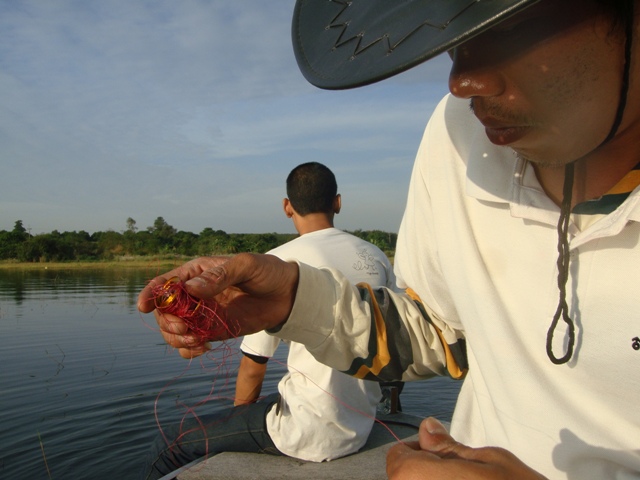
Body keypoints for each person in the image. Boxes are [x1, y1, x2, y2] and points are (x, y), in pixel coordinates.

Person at [138, 1, 640, 478]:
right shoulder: (459, 132)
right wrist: (292, 301)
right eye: (454, 37)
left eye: (510, 27)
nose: (463, 81)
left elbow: (252, 371)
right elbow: (442, 333)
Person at [140, 162, 396, 479]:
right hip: (362, 422)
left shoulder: (274, 262)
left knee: (169, 445)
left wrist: (236, 432)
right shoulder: (376, 256)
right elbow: (397, 342)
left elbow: (252, 367)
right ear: (337, 203)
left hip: (306, 434)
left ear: (287, 207)